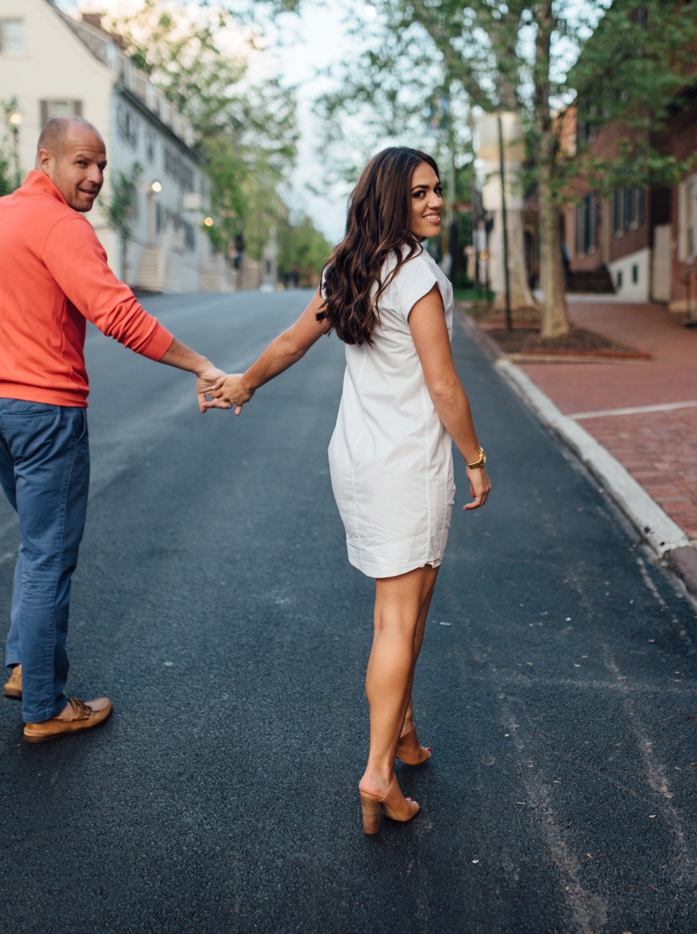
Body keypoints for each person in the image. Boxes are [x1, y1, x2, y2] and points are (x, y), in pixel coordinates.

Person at [208, 147, 490, 834]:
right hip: (405, 466)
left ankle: (403, 732)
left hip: (358, 462)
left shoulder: (351, 269)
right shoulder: (418, 276)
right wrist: (476, 457)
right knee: (401, 618)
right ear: (392, 199)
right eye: (419, 192)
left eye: (438, 190)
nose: (434, 202)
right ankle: (376, 772)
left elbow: (290, 342)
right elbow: (443, 383)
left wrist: (245, 381)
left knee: (401, 612)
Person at [0, 115, 227, 744]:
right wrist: (201, 365)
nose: (96, 176)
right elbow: (118, 315)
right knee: (50, 552)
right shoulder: (61, 226)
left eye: (102, 164)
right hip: (44, 409)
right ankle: (46, 709)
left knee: (36, 542)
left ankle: (30, 667)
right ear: (45, 160)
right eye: (82, 163)